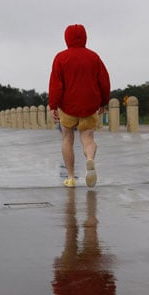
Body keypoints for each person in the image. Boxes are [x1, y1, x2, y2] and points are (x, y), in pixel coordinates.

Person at [48, 24, 110, 188]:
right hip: (89, 106)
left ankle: (70, 177)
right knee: (88, 138)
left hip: (68, 107)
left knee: (67, 138)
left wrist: (53, 105)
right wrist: (103, 102)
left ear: (66, 38)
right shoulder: (94, 57)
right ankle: (89, 159)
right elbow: (104, 81)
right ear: (85, 37)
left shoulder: (60, 58)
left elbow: (56, 84)